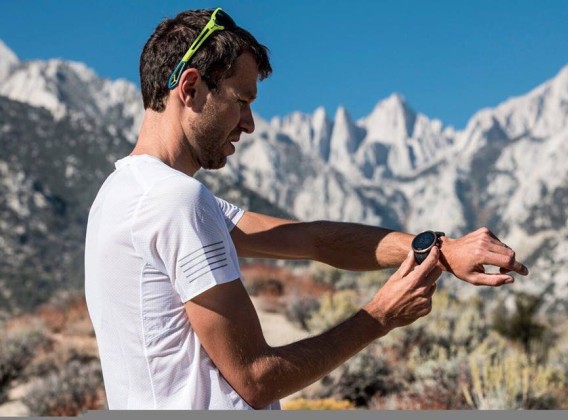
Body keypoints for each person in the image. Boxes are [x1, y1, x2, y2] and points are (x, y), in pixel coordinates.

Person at [84, 7, 528, 410]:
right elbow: (256, 378)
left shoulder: (123, 195)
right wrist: (379, 317)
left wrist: (440, 249)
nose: (250, 124)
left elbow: (313, 239)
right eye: (242, 101)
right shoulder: (174, 201)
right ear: (192, 87)